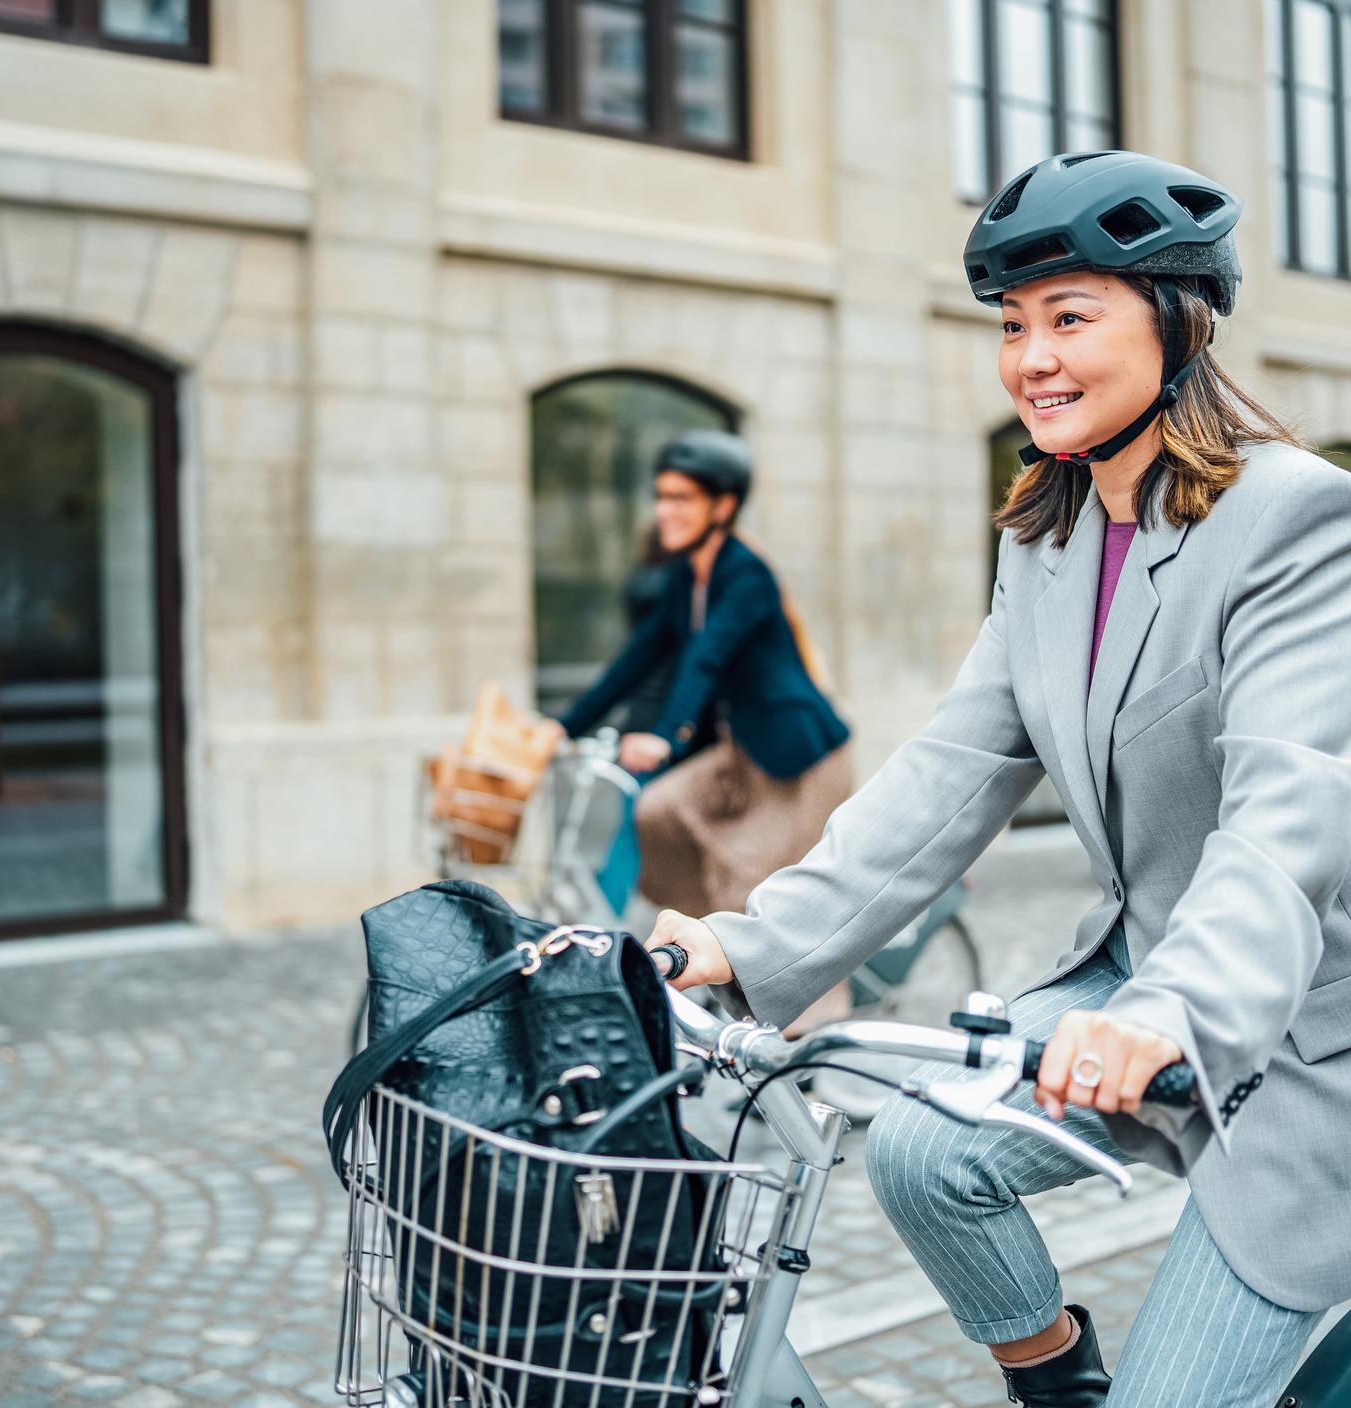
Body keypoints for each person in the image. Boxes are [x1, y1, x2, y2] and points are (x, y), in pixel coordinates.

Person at [646, 151, 1351, 1407]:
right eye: (1012, 325)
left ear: (1178, 323)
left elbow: (1284, 824)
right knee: (920, 1149)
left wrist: (1164, 1014)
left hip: (1301, 1027)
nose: (1030, 356)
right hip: (1136, 983)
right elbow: (948, 773)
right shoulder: (1051, 533)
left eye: (1070, 317)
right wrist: (744, 948)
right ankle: (1055, 1383)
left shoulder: (1297, 521)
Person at [557, 428, 853, 930]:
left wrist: (666, 737)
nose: (664, 511)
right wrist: (565, 727)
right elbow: (638, 658)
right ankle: (711, 945)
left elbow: (705, 657)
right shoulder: (686, 576)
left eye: (681, 499)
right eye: (661, 497)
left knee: (763, 895)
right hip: (740, 752)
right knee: (656, 810)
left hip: (797, 760)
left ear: (721, 507)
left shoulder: (746, 575)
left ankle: (814, 1004)